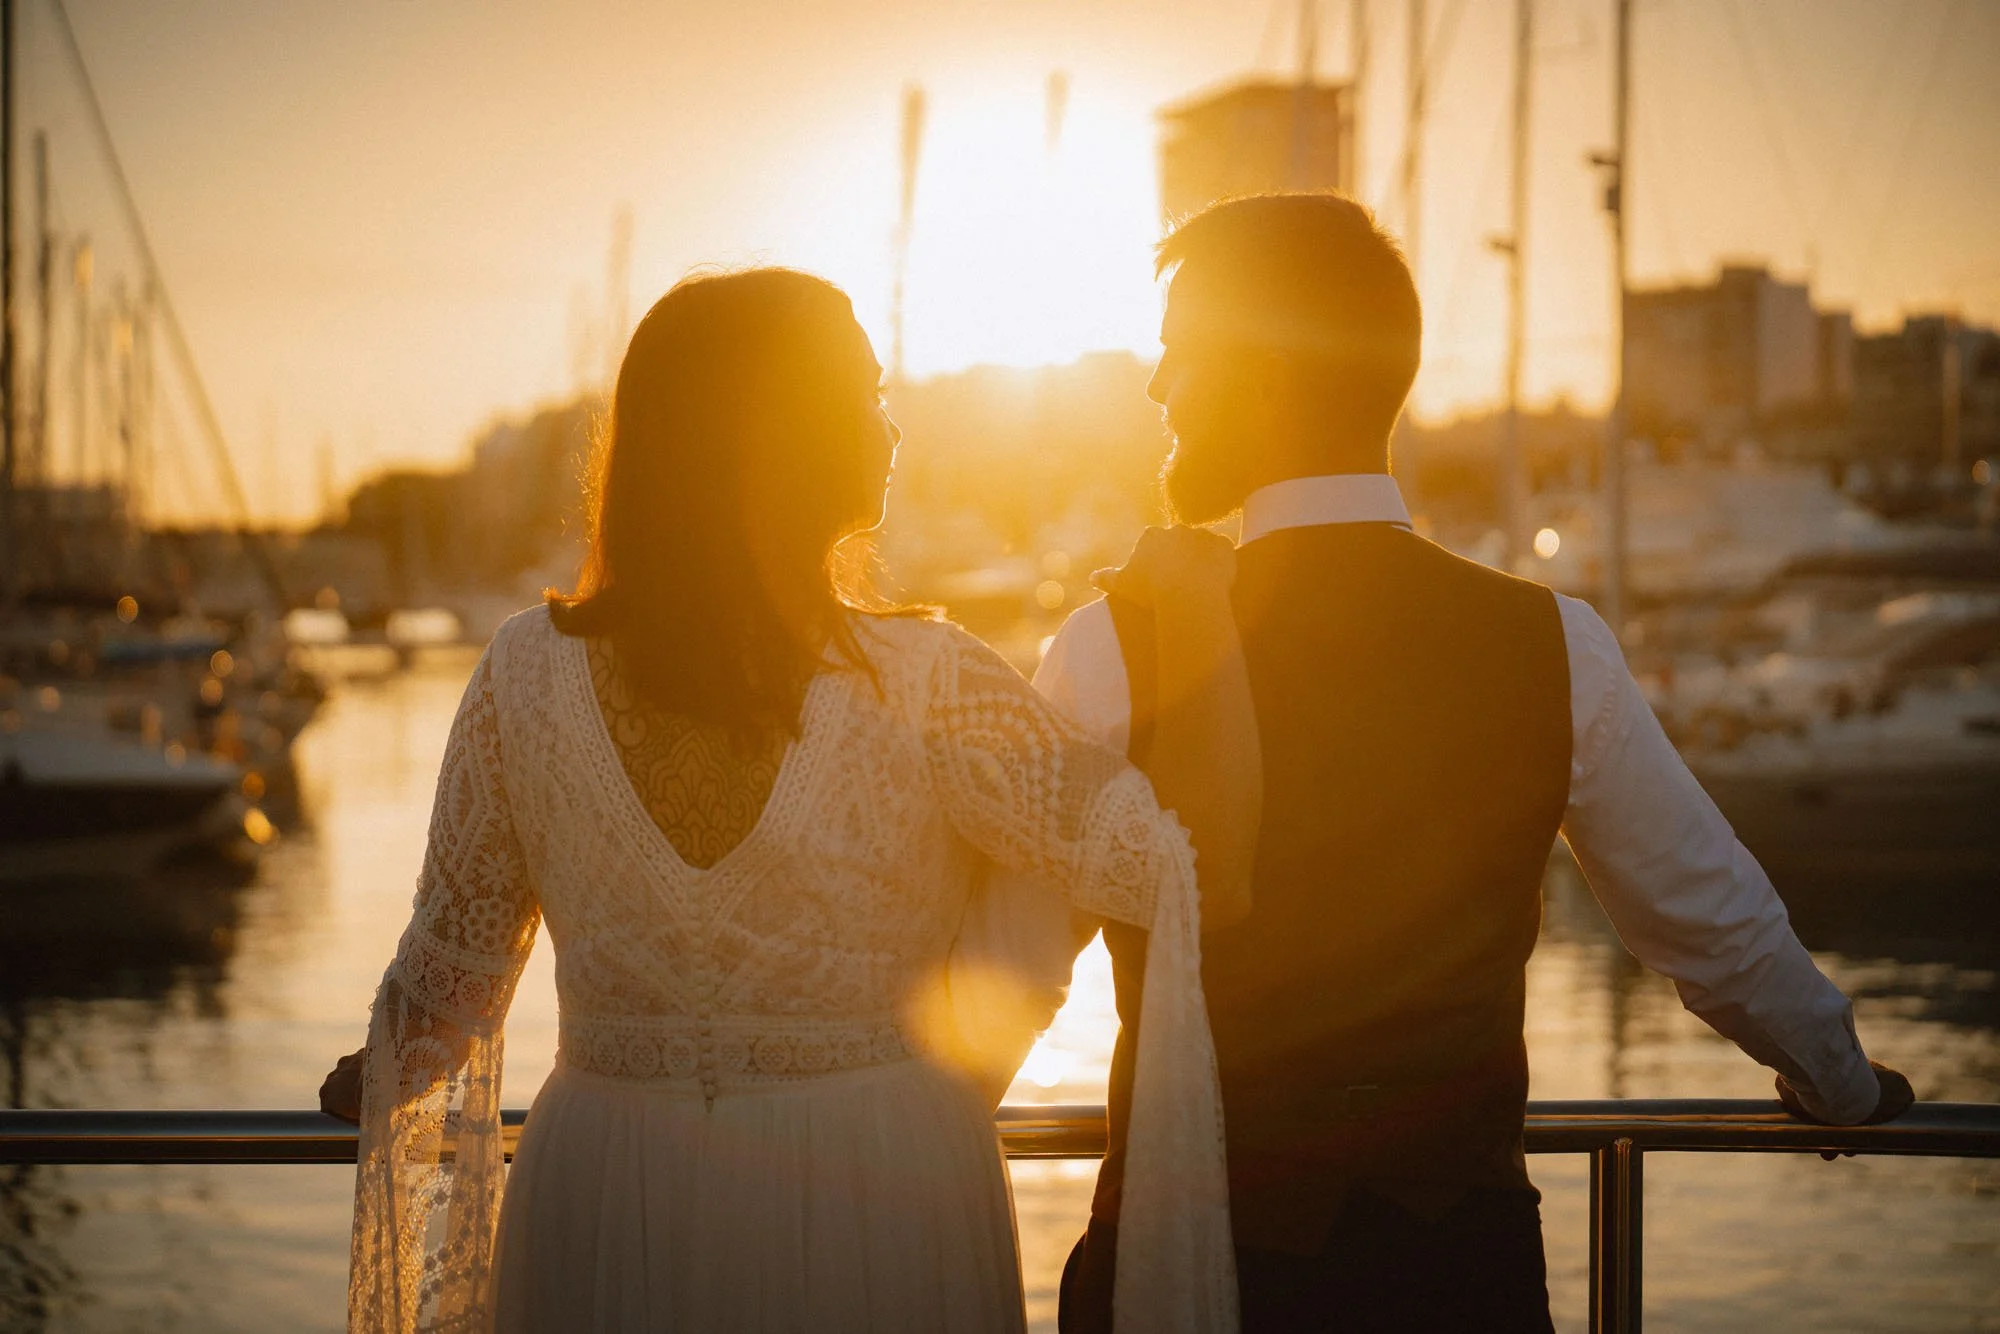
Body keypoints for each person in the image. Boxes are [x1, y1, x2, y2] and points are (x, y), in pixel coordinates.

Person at [1030, 192, 1915, 1334]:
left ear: (1260, 376)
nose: (1155, 388)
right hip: (1454, 1274)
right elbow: (1709, 920)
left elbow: (1013, 957)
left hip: (1185, 1265)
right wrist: (1839, 1086)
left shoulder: (1112, 642)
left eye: (1177, 353)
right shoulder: (1552, 644)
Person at [319, 268, 1257, 1333]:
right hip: (876, 1196)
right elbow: (1195, 868)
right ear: (784, 435)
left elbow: (445, 992)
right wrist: (1195, 606)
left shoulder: (520, 674)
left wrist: (374, 1067)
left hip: (609, 1188)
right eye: (865, 395)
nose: (892, 429)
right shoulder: (925, 680)